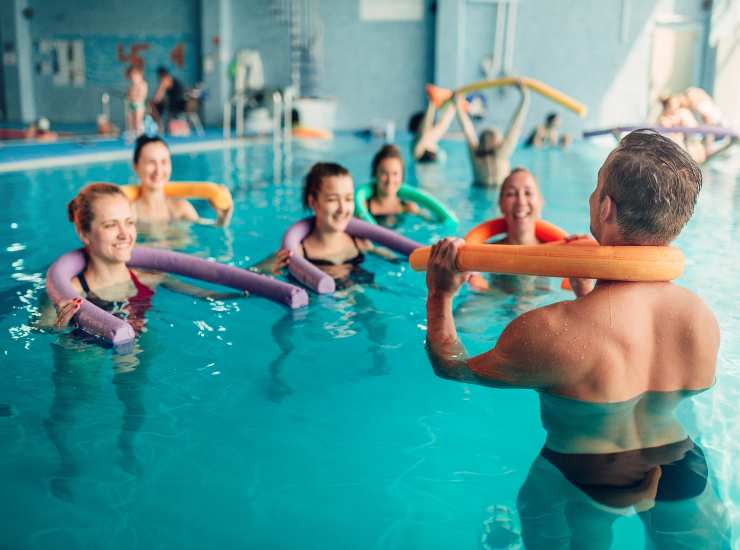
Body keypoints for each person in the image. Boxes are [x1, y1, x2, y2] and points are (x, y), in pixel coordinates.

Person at [424, 129, 722, 543]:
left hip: (586, 473)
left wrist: (440, 294)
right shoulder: (701, 320)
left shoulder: (549, 330)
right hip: (682, 465)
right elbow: (630, 349)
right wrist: (590, 290)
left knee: (540, 504)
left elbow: (453, 367)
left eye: (596, 185)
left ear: (606, 208)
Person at [472, 167, 594, 296]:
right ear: (501, 204)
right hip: (495, 299)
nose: (521, 202)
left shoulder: (558, 252)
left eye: (528, 193)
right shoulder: (484, 252)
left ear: (540, 202)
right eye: (511, 194)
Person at [130, 135, 232, 227]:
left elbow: (206, 228)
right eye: (151, 162)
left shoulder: (181, 208)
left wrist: (222, 219)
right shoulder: (130, 213)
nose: (158, 170)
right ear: (136, 166)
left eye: (164, 162)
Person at [455, 81, 529, 186]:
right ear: (498, 142)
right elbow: (516, 125)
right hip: (498, 190)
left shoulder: (475, 155)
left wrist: (457, 102)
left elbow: (466, 127)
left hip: (478, 190)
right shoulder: (502, 153)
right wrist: (524, 96)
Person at [364, 144, 420, 226]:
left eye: (395, 173)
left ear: (402, 176)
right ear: (375, 174)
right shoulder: (364, 208)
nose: (390, 180)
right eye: (384, 173)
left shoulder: (408, 208)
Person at [408, 91, 457, 163]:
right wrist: (432, 103)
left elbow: (444, 123)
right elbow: (425, 128)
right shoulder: (417, 148)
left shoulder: (432, 139)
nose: (432, 127)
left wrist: (454, 104)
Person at [150, 66, 187, 132]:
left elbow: (157, 97)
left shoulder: (166, 81)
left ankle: (159, 126)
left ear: (161, 75)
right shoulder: (173, 80)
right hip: (182, 104)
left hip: (176, 106)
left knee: (153, 105)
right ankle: (158, 125)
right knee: (156, 105)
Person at [125, 65, 148, 139]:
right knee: (130, 120)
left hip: (139, 105)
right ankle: (131, 135)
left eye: (135, 76)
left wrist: (133, 97)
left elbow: (142, 96)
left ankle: (140, 135)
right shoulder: (132, 86)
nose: (133, 79)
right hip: (131, 104)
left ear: (140, 75)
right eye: (132, 77)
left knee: (138, 121)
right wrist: (129, 96)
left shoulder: (143, 84)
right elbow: (129, 95)